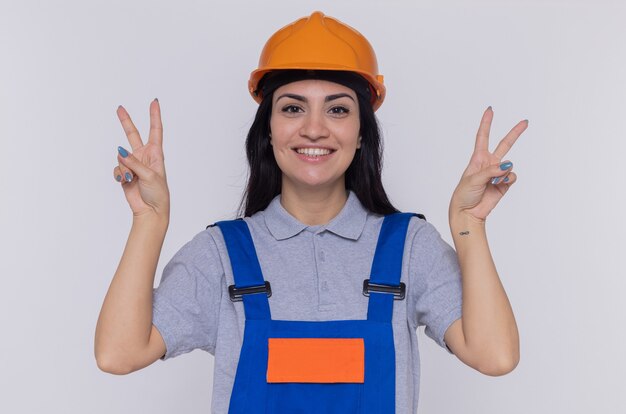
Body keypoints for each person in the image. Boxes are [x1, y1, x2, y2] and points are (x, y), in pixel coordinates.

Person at [95, 10, 524, 413]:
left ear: (360, 135)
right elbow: (119, 354)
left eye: (337, 109)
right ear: (268, 130)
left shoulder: (409, 247)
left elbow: (495, 356)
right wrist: (148, 222)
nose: (314, 128)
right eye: (293, 108)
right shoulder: (221, 254)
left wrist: (470, 225)